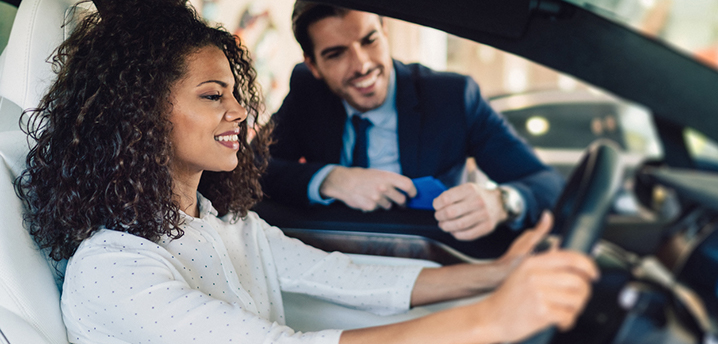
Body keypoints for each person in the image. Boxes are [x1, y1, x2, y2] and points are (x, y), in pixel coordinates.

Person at [16, 0, 598, 343]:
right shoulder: (114, 269)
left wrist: (496, 273)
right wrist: (490, 320)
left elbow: (342, 275)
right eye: (214, 96)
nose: (241, 112)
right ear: (140, 115)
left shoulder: (222, 223)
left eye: (235, 94)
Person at [262, 1, 565, 241]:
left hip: (433, 256)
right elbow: (255, 169)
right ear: (313, 65)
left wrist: (502, 202)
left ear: (386, 32)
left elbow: (546, 185)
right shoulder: (307, 92)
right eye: (336, 54)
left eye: (369, 40)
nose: (362, 65)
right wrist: (330, 179)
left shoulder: (452, 98)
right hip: (331, 256)